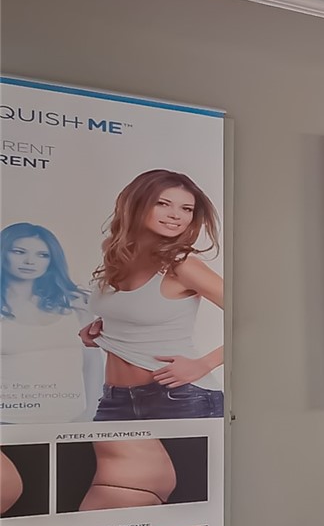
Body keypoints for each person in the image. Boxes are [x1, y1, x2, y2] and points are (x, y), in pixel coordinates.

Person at [78, 170, 225, 421]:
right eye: (163, 204)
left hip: (180, 398)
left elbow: (258, 316)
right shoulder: (116, 255)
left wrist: (203, 364)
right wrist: (105, 329)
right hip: (114, 400)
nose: (175, 216)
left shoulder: (182, 266)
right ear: (136, 204)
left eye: (186, 209)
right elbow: (138, 309)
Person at [0, 221, 102, 422]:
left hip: (69, 418)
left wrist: (91, 411)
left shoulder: (74, 303)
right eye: (19, 252)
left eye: (42, 255)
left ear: (52, 260)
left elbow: (92, 362)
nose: (30, 261)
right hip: (6, 420)